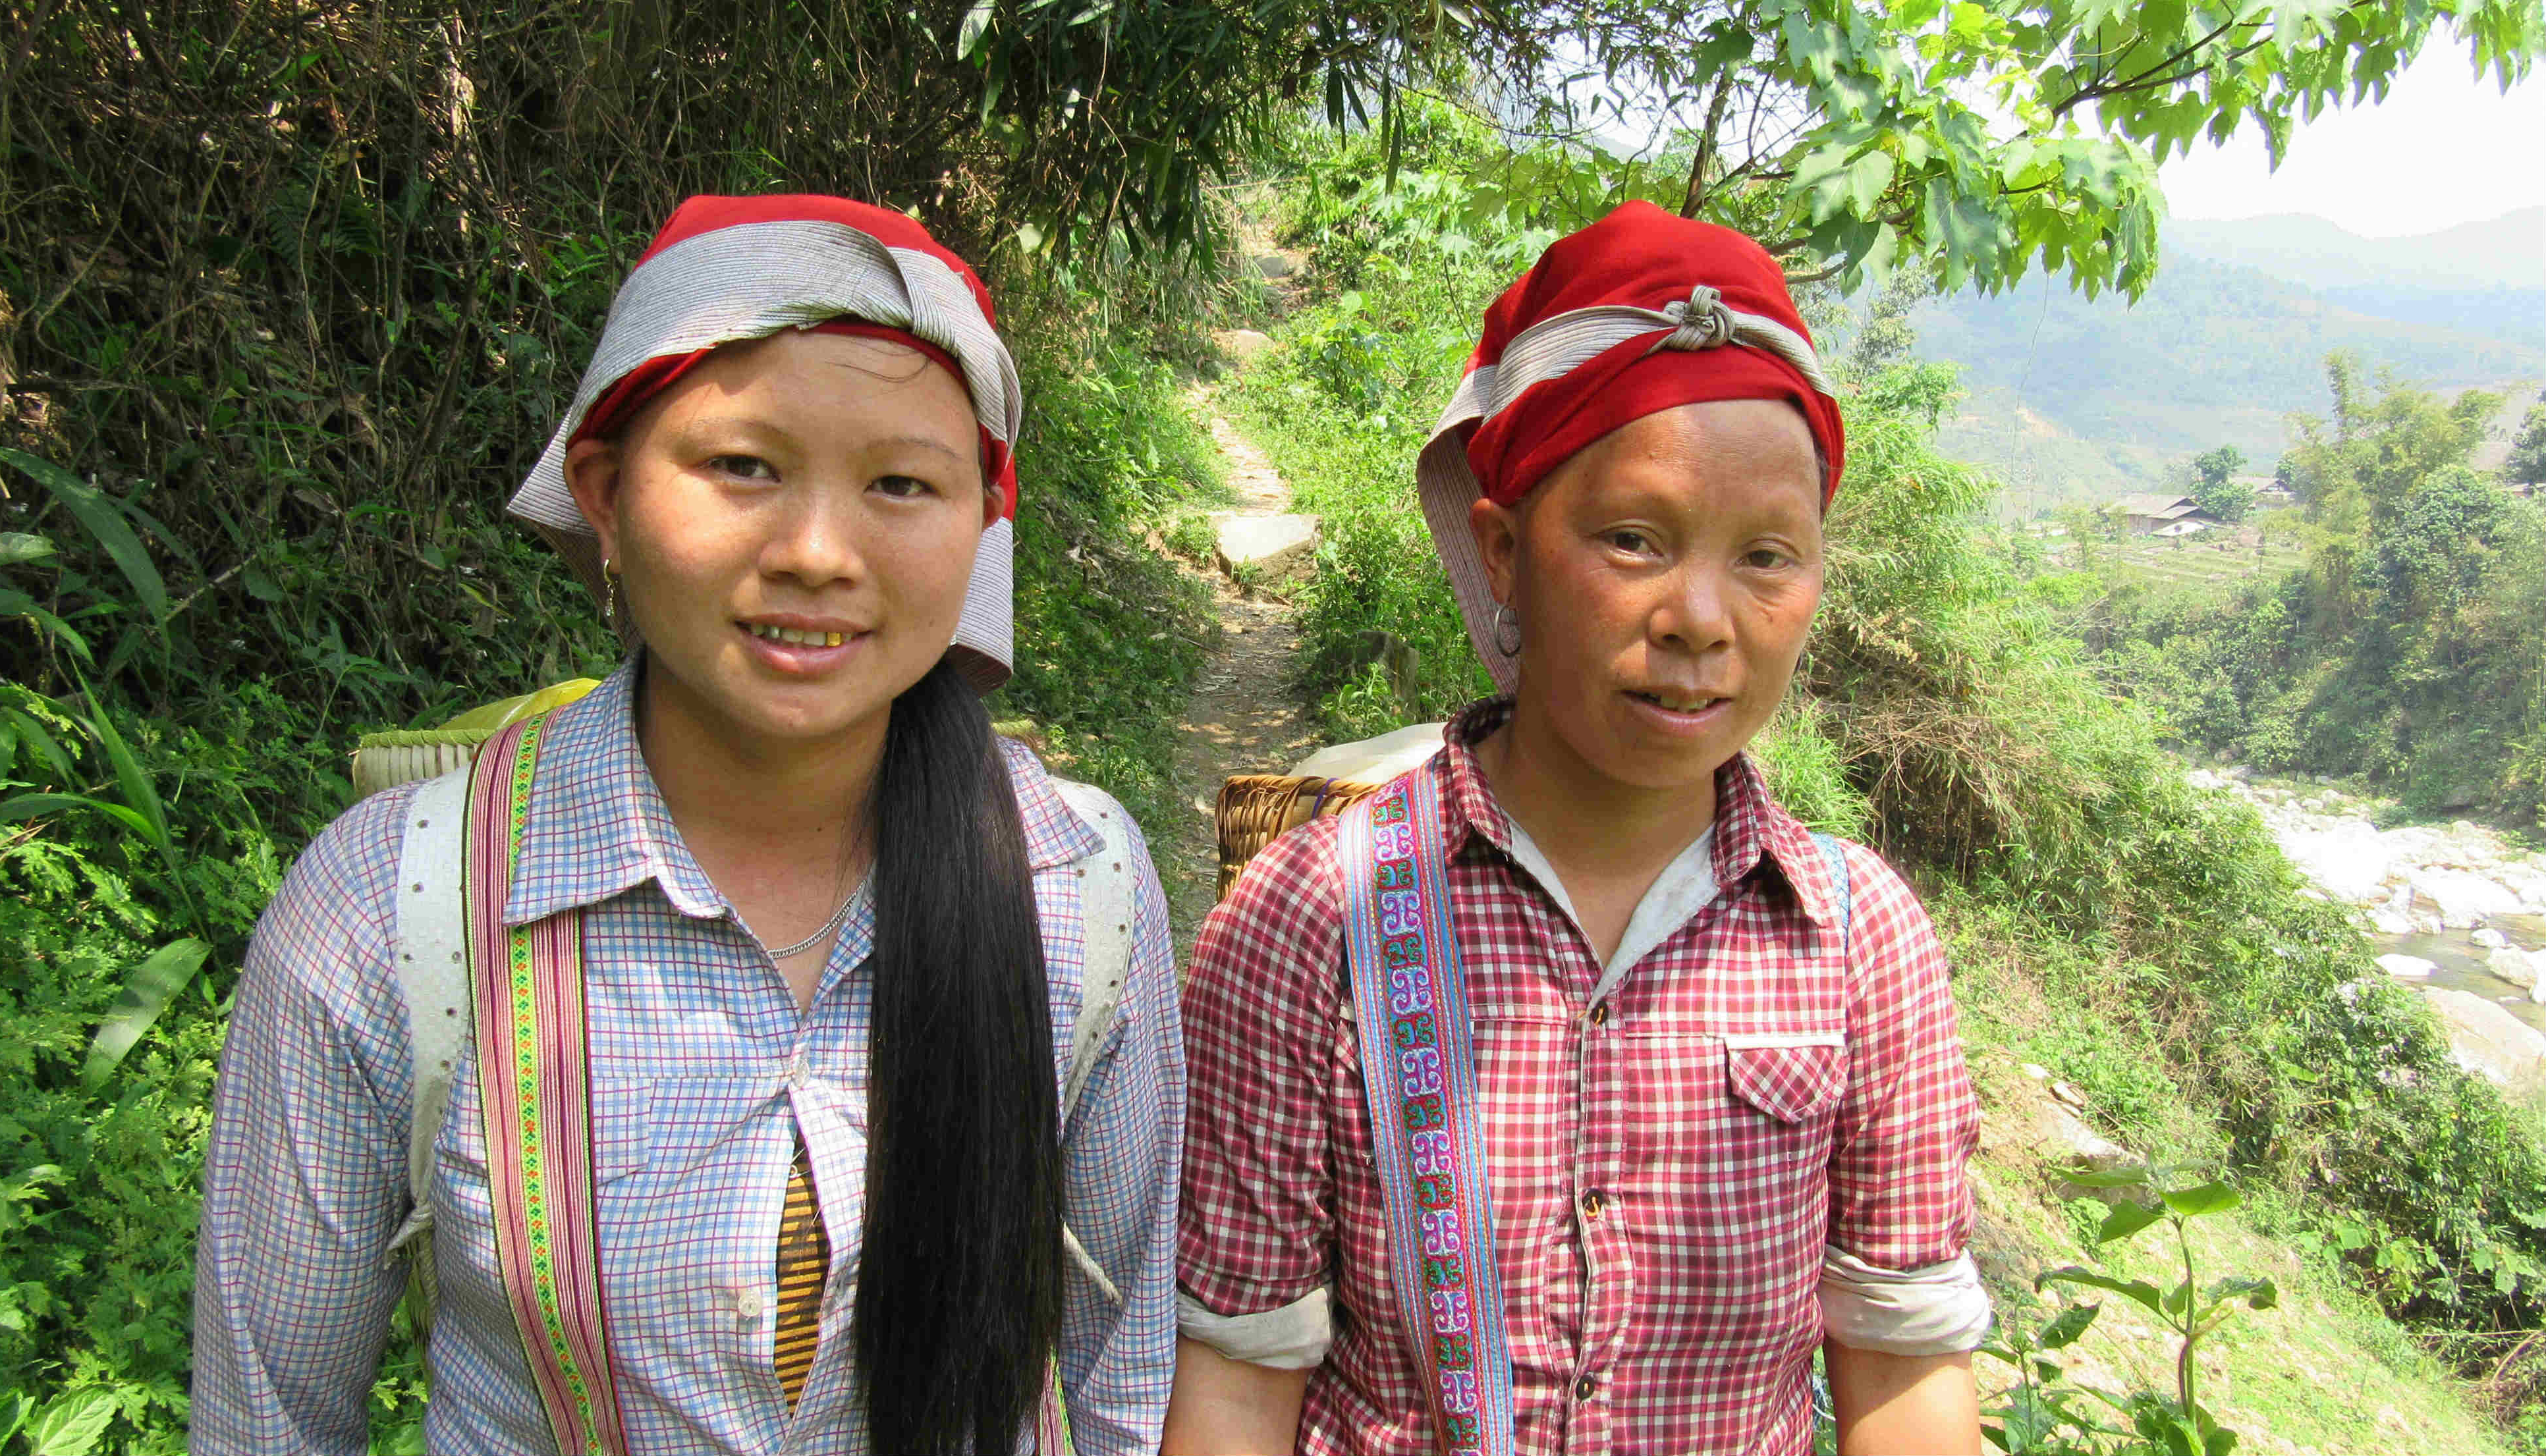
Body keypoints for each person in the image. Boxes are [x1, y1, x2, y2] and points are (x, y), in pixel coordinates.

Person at [193, 195, 1184, 1455]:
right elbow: (267, 1421)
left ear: (978, 522)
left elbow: (1124, 1378)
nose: (818, 552)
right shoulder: (397, 904)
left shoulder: (1075, 885)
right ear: (602, 492)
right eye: (743, 467)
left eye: (900, 483)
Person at [1165, 202, 1989, 1455]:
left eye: (1767, 557)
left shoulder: (1859, 937)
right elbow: (1238, 1375)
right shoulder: (1307, 916)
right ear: (1502, 551)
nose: (1700, 619)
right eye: (1631, 540)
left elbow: (1900, 1362)